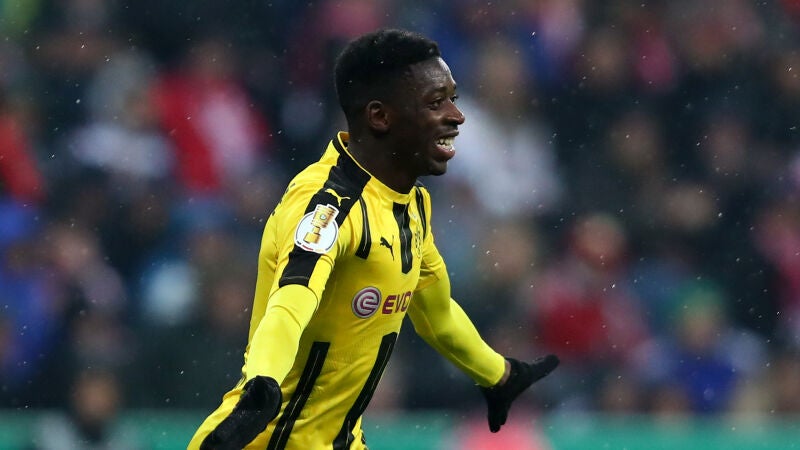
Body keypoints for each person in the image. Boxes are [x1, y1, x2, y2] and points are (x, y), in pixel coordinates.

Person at [188, 28, 559, 450]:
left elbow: (437, 314)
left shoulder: (412, 204)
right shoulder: (329, 203)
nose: (456, 117)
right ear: (380, 117)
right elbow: (290, 302)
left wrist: (500, 376)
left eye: (452, 99)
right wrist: (261, 387)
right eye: (435, 103)